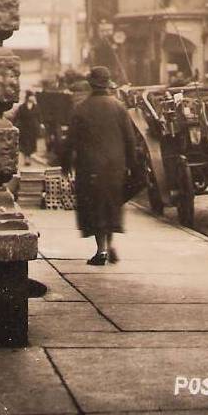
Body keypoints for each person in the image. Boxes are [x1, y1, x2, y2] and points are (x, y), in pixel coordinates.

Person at [60, 65, 138, 266]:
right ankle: (108, 247)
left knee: (95, 207)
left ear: (91, 85)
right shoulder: (119, 107)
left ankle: (102, 250)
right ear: (108, 84)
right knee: (111, 205)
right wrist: (132, 165)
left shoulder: (81, 109)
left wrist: (65, 164)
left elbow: (70, 141)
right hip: (115, 166)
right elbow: (130, 139)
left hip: (90, 166)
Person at [11, 90, 41, 165]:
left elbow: (39, 117)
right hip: (24, 127)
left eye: (33, 96)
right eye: (31, 96)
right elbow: (17, 117)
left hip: (32, 128)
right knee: (25, 143)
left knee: (31, 143)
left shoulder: (36, 107)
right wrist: (14, 124)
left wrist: (40, 125)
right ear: (28, 97)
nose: (33, 98)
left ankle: (29, 157)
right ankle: (26, 158)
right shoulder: (22, 107)